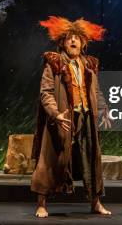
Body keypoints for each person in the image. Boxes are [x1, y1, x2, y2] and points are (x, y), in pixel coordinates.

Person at [31, 16, 112, 218]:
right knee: (51, 158)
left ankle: (96, 202)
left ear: (83, 43)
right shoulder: (55, 62)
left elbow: (97, 91)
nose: (73, 41)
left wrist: (103, 109)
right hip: (63, 118)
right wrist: (55, 113)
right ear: (62, 42)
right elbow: (46, 92)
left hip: (85, 117)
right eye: (69, 38)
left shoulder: (89, 65)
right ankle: (41, 203)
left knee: (92, 158)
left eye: (77, 38)